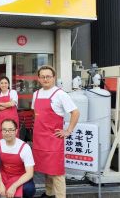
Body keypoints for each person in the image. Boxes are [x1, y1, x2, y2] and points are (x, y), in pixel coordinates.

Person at [31, 65, 80, 198]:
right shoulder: (36, 94)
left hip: (53, 140)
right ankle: (49, 193)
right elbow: (36, 114)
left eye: (48, 76)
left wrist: (68, 130)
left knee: (57, 172)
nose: (45, 79)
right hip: (39, 139)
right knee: (45, 169)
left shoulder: (60, 94)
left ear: (53, 78)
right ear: (39, 79)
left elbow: (75, 112)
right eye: (42, 77)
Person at [0, 119, 35, 198]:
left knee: (29, 189)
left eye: (10, 130)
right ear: (1, 131)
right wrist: (0, 184)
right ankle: (4, 191)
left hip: (20, 176)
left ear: (16, 131)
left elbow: (30, 173)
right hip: (5, 175)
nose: (7, 133)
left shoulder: (24, 147)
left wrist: (14, 186)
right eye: (4, 130)